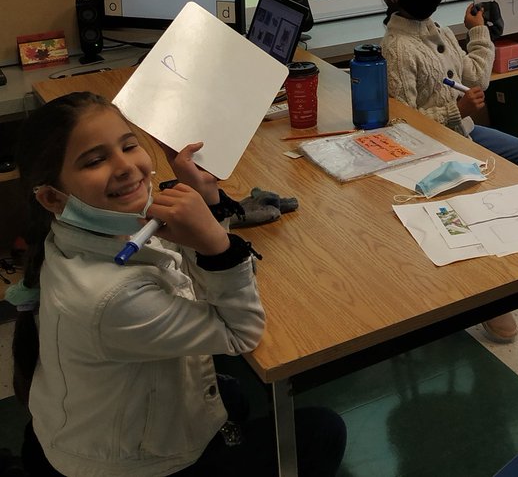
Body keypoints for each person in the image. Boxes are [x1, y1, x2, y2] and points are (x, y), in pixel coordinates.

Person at [11, 92, 346, 476]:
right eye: (95, 161)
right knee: (322, 431)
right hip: (134, 467)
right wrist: (218, 246)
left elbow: (182, 267)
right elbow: (240, 332)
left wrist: (207, 201)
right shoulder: (110, 299)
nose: (126, 166)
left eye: (129, 145)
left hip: (85, 431)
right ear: (52, 197)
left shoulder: (90, 226)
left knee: (234, 394)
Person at [380, 0, 518, 343]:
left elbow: (476, 78)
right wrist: (456, 111)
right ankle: (487, 290)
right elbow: (402, 124)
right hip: (432, 151)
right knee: (473, 199)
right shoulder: (398, 47)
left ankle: (496, 244)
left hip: (463, 135)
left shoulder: (436, 30)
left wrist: (477, 32)